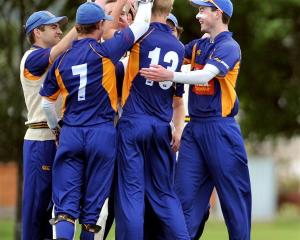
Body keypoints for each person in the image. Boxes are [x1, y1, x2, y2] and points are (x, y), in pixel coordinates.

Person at [40, 1, 153, 239]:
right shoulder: (106, 51)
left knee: (65, 209)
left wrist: (56, 129)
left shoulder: (61, 60)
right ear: (100, 25)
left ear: (78, 26)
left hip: (71, 132)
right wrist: (145, 3)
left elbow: (47, 104)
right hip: (102, 134)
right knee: (91, 214)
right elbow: (142, 25)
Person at [140, 0, 252, 239]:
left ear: (218, 13)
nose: (198, 15)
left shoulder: (229, 46)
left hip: (221, 130)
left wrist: (170, 75)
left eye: (203, 10)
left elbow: (205, 76)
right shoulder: (198, 46)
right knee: (181, 199)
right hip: (195, 129)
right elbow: (173, 51)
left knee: (235, 201)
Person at [114, 0, 189, 239]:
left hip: (135, 121)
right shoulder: (179, 47)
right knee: (165, 195)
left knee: (132, 195)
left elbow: (111, 44)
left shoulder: (138, 37)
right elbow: (177, 98)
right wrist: (178, 128)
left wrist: (129, 16)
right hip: (161, 126)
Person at [20, 10, 77, 240]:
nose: (59, 30)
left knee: (54, 209)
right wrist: (82, 23)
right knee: (36, 210)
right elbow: (59, 50)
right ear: (37, 32)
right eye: (53, 27)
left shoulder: (55, 56)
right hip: (40, 139)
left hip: (58, 137)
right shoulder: (31, 57)